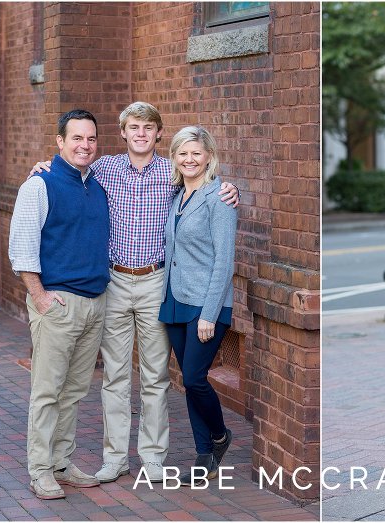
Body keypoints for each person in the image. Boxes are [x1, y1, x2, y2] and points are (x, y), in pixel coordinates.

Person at [29, 102, 240, 484]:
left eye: (148, 127)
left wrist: (230, 188)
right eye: (134, 127)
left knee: (156, 376)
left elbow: (206, 186)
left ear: (159, 133)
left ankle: (153, 457)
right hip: (113, 281)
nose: (141, 133)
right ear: (123, 132)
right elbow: (67, 165)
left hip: (157, 283)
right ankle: (114, 459)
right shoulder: (103, 169)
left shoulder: (172, 173)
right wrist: (40, 165)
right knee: (114, 376)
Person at [9, 109, 109, 500]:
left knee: (74, 391)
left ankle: (62, 463)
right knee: (47, 392)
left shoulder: (96, 184)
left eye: (91, 139)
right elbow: (22, 248)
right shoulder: (39, 185)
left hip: (95, 303)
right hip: (58, 303)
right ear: (60, 142)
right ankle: (40, 470)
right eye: (77, 138)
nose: (85, 145)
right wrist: (40, 298)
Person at [159, 126, 237, 486]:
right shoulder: (177, 196)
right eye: (182, 153)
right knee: (189, 383)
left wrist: (210, 313)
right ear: (174, 157)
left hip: (206, 304)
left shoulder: (219, 197)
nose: (189, 159)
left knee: (193, 377)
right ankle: (204, 453)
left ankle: (220, 435)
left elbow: (224, 260)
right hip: (175, 299)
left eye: (196, 153)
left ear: (208, 155)